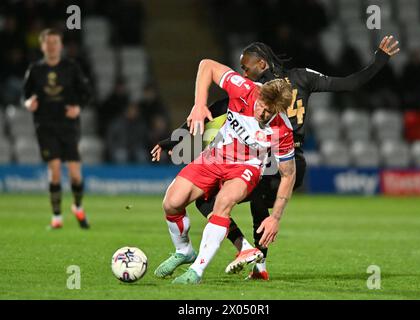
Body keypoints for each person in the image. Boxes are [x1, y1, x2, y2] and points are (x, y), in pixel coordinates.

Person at [152, 35, 400, 280]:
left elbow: (347, 84)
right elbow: (216, 108)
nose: (244, 72)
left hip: (286, 155)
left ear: (261, 64)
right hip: (254, 155)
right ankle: (248, 254)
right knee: (205, 200)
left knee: (249, 200)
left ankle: (254, 260)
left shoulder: (295, 84)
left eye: (246, 67)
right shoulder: (253, 89)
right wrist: (177, 137)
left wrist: (379, 61)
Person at [153, 58, 297, 284]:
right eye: (262, 107)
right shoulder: (243, 88)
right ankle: (184, 251)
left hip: (246, 167)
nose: (263, 114)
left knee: (223, 203)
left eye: (270, 112)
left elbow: (288, 174)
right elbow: (206, 65)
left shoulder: (283, 129)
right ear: (258, 95)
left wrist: (275, 218)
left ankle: (197, 271)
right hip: (215, 156)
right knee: (172, 202)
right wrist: (199, 104)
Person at [23, 28, 91, 229]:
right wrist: (28, 103)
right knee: (54, 171)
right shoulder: (35, 70)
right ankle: (57, 218)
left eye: (55, 42)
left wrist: (78, 107)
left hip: (68, 126)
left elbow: (86, 92)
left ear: (60, 46)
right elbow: (25, 95)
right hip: (44, 125)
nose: (52, 46)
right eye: (48, 42)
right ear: (42, 45)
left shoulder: (71, 67)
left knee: (75, 174)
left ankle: (77, 206)